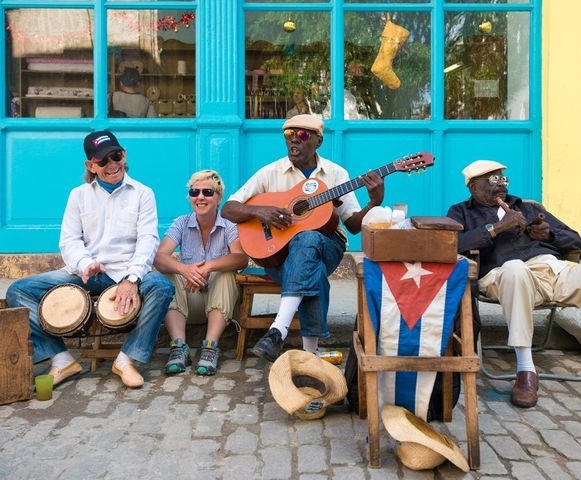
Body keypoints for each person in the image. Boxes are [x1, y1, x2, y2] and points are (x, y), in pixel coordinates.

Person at [447, 160, 581, 407]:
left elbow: (576, 242)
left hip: (553, 270)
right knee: (515, 269)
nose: (501, 186)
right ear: (473, 186)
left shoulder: (525, 207)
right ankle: (526, 371)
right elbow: (453, 245)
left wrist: (549, 234)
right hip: (502, 275)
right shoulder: (461, 212)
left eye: (503, 179)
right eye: (493, 180)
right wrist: (495, 229)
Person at [6, 130, 174, 389]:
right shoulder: (78, 195)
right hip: (85, 273)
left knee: (162, 287)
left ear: (124, 155)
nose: (111, 165)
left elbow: (148, 241)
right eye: (102, 160)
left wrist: (131, 278)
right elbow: (69, 241)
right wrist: (85, 263)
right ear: (90, 165)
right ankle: (61, 359)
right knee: (18, 291)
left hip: (125, 272)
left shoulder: (143, 193)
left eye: (115, 156)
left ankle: (126, 359)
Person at [221, 114, 384, 363]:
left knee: (307, 238)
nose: (294, 140)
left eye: (303, 135)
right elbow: (228, 209)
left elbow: (352, 226)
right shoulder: (270, 172)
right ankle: (311, 353)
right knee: (312, 268)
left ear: (318, 141)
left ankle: (278, 330)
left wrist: (374, 202)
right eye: (289, 135)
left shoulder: (336, 174)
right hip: (278, 253)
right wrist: (259, 211)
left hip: (329, 245)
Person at [154, 170, 248, 375]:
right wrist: (185, 270)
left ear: (219, 197)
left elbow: (241, 258)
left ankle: (210, 347)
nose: (200, 197)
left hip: (221, 303)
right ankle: (179, 347)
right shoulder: (181, 222)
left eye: (207, 192)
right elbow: (159, 257)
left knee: (225, 273)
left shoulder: (229, 225)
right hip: (190, 303)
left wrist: (208, 267)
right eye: (194, 192)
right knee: (166, 275)